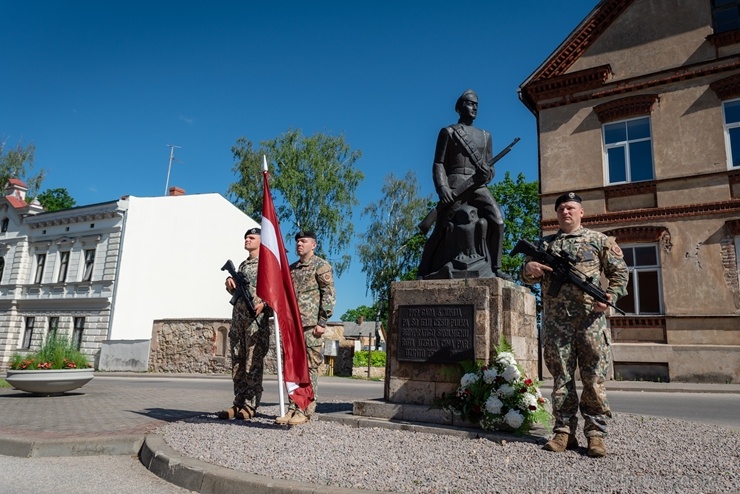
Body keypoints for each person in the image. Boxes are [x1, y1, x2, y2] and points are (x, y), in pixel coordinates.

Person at [521, 192, 628, 458]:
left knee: (593, 379)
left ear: (581, 212)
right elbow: (526, 278)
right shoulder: (545, 245)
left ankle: (595, 435)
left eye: (570, 208)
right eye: (561, 209)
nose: (565, 212)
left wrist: (610, 298)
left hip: (591, 320)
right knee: (562, 379)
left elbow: (620, 273)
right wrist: (529, 269)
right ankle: (563, 433)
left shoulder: (599, 240)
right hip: (557, 323)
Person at [417, 89, 508, 279]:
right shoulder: (449, 132)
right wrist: (443, 188)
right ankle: (423, 270)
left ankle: (497, 268)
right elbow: (439, 163)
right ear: (459, 108)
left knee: (498, 221)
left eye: (476, 104)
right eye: (469, 103)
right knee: (440, 229)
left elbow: (490, 166)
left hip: (478, 186)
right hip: (455, 183)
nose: (474, 107)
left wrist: (488, 174)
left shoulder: (485, 135)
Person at [275, 230, 336, 426]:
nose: (299, 244)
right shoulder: (292, 269)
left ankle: (305, 408)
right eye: (297, 241)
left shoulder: (321, 266)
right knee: (292, 367)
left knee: (309, 367)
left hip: (310, 326)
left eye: (303, 241)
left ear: (314, 245)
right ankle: (293, 407)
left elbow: (328, 295)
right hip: (293, 326)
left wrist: (322, 322)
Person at [217, 227, 271, 421]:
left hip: (256, 322)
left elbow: (275, 294)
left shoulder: (267, 264)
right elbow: (237, 294)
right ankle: (238, 402)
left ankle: (250, 404)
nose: (247, 240)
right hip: (238, 320)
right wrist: (230, 283)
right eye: (246, 237)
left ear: (260, 241)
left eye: (251, 237)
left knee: (252, 362)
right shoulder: (242, 265)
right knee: (238, 362)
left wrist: (264, 305)